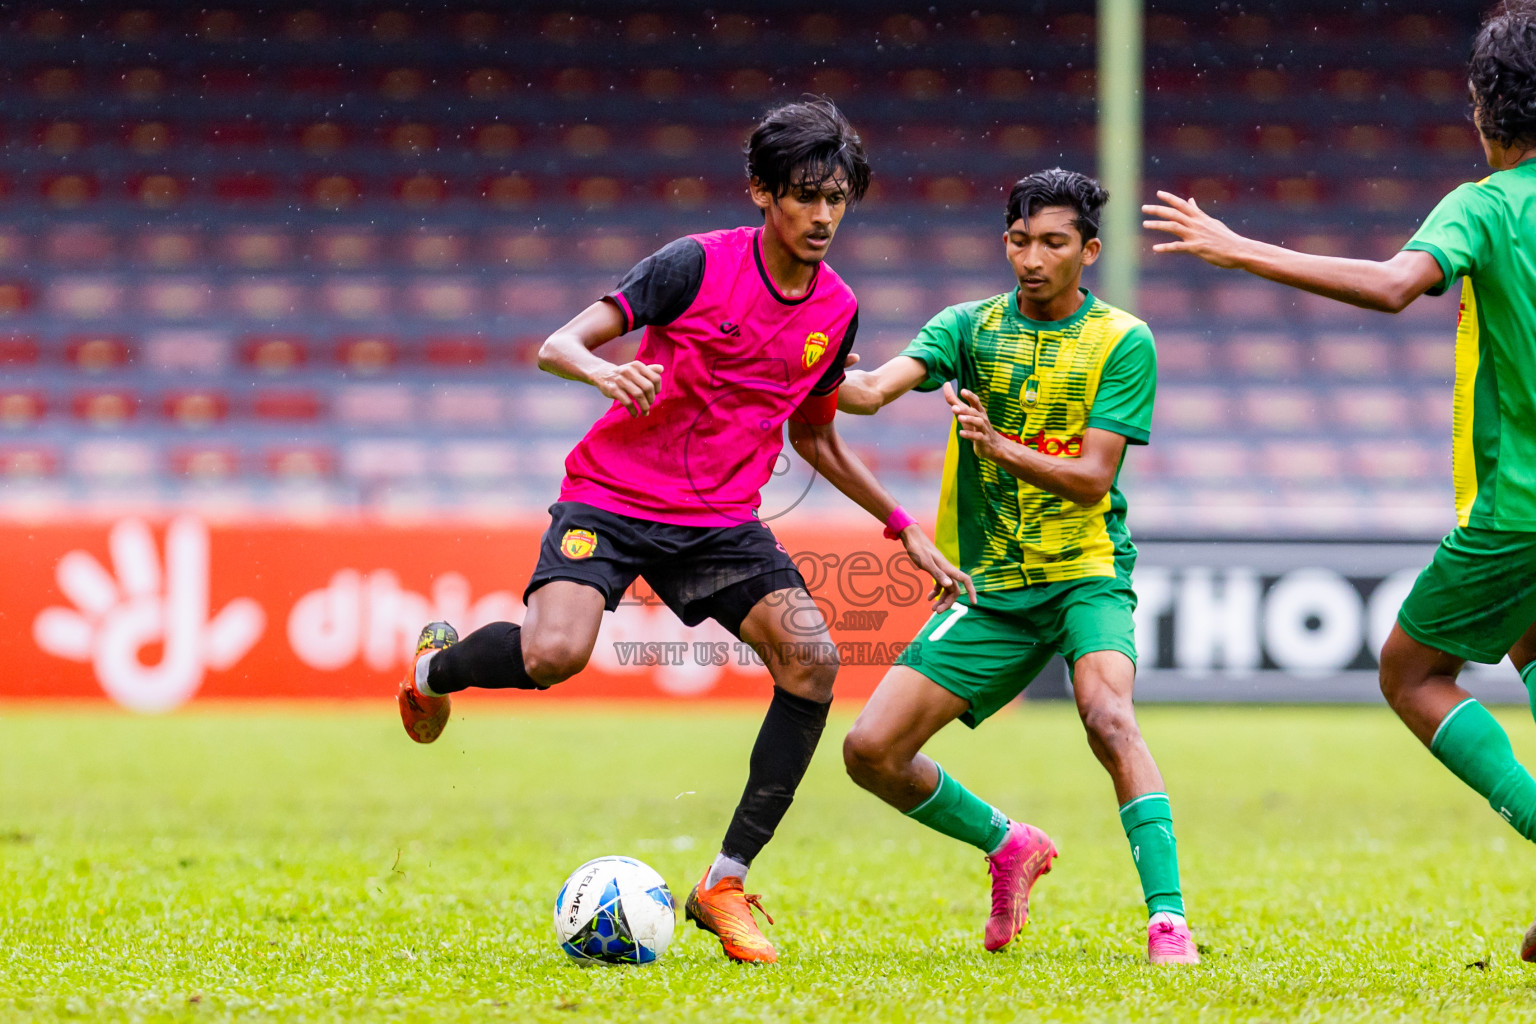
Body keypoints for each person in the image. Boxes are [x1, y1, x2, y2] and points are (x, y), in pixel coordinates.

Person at [393, 99, 970, 965]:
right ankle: (435, 667)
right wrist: (601, 370)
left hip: (719, 524)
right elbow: (559, 343)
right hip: (614, 497)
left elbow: (813, 435)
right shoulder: (695, 265)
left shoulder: (838, 310)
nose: (821, 216)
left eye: (836, 198)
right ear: (761, 194)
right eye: (804, 196)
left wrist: (901, 528)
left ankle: (724, 883)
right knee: (555, 655)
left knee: (812, 659)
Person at [1142, 1, 1536, 962]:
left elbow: (1396, 285)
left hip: (1523, 505)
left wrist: (1241, 249)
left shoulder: (1485, 204)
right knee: (1530, 643)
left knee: (1410, 672)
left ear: (1481, 107)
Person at [836, 168, 1199, 964]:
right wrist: (828, 375)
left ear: (1090, 250)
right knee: (869, 751)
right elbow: (868, 394)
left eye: (1054, 242)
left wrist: (998, 446)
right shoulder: (966, 327)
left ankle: (1168, 920)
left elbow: (1094, 477)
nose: (1032, 257)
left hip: (1085, 574)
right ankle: (1009, 844)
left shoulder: (1121, 341)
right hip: (993, 588)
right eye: (1020, 240)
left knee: (1108, 715)